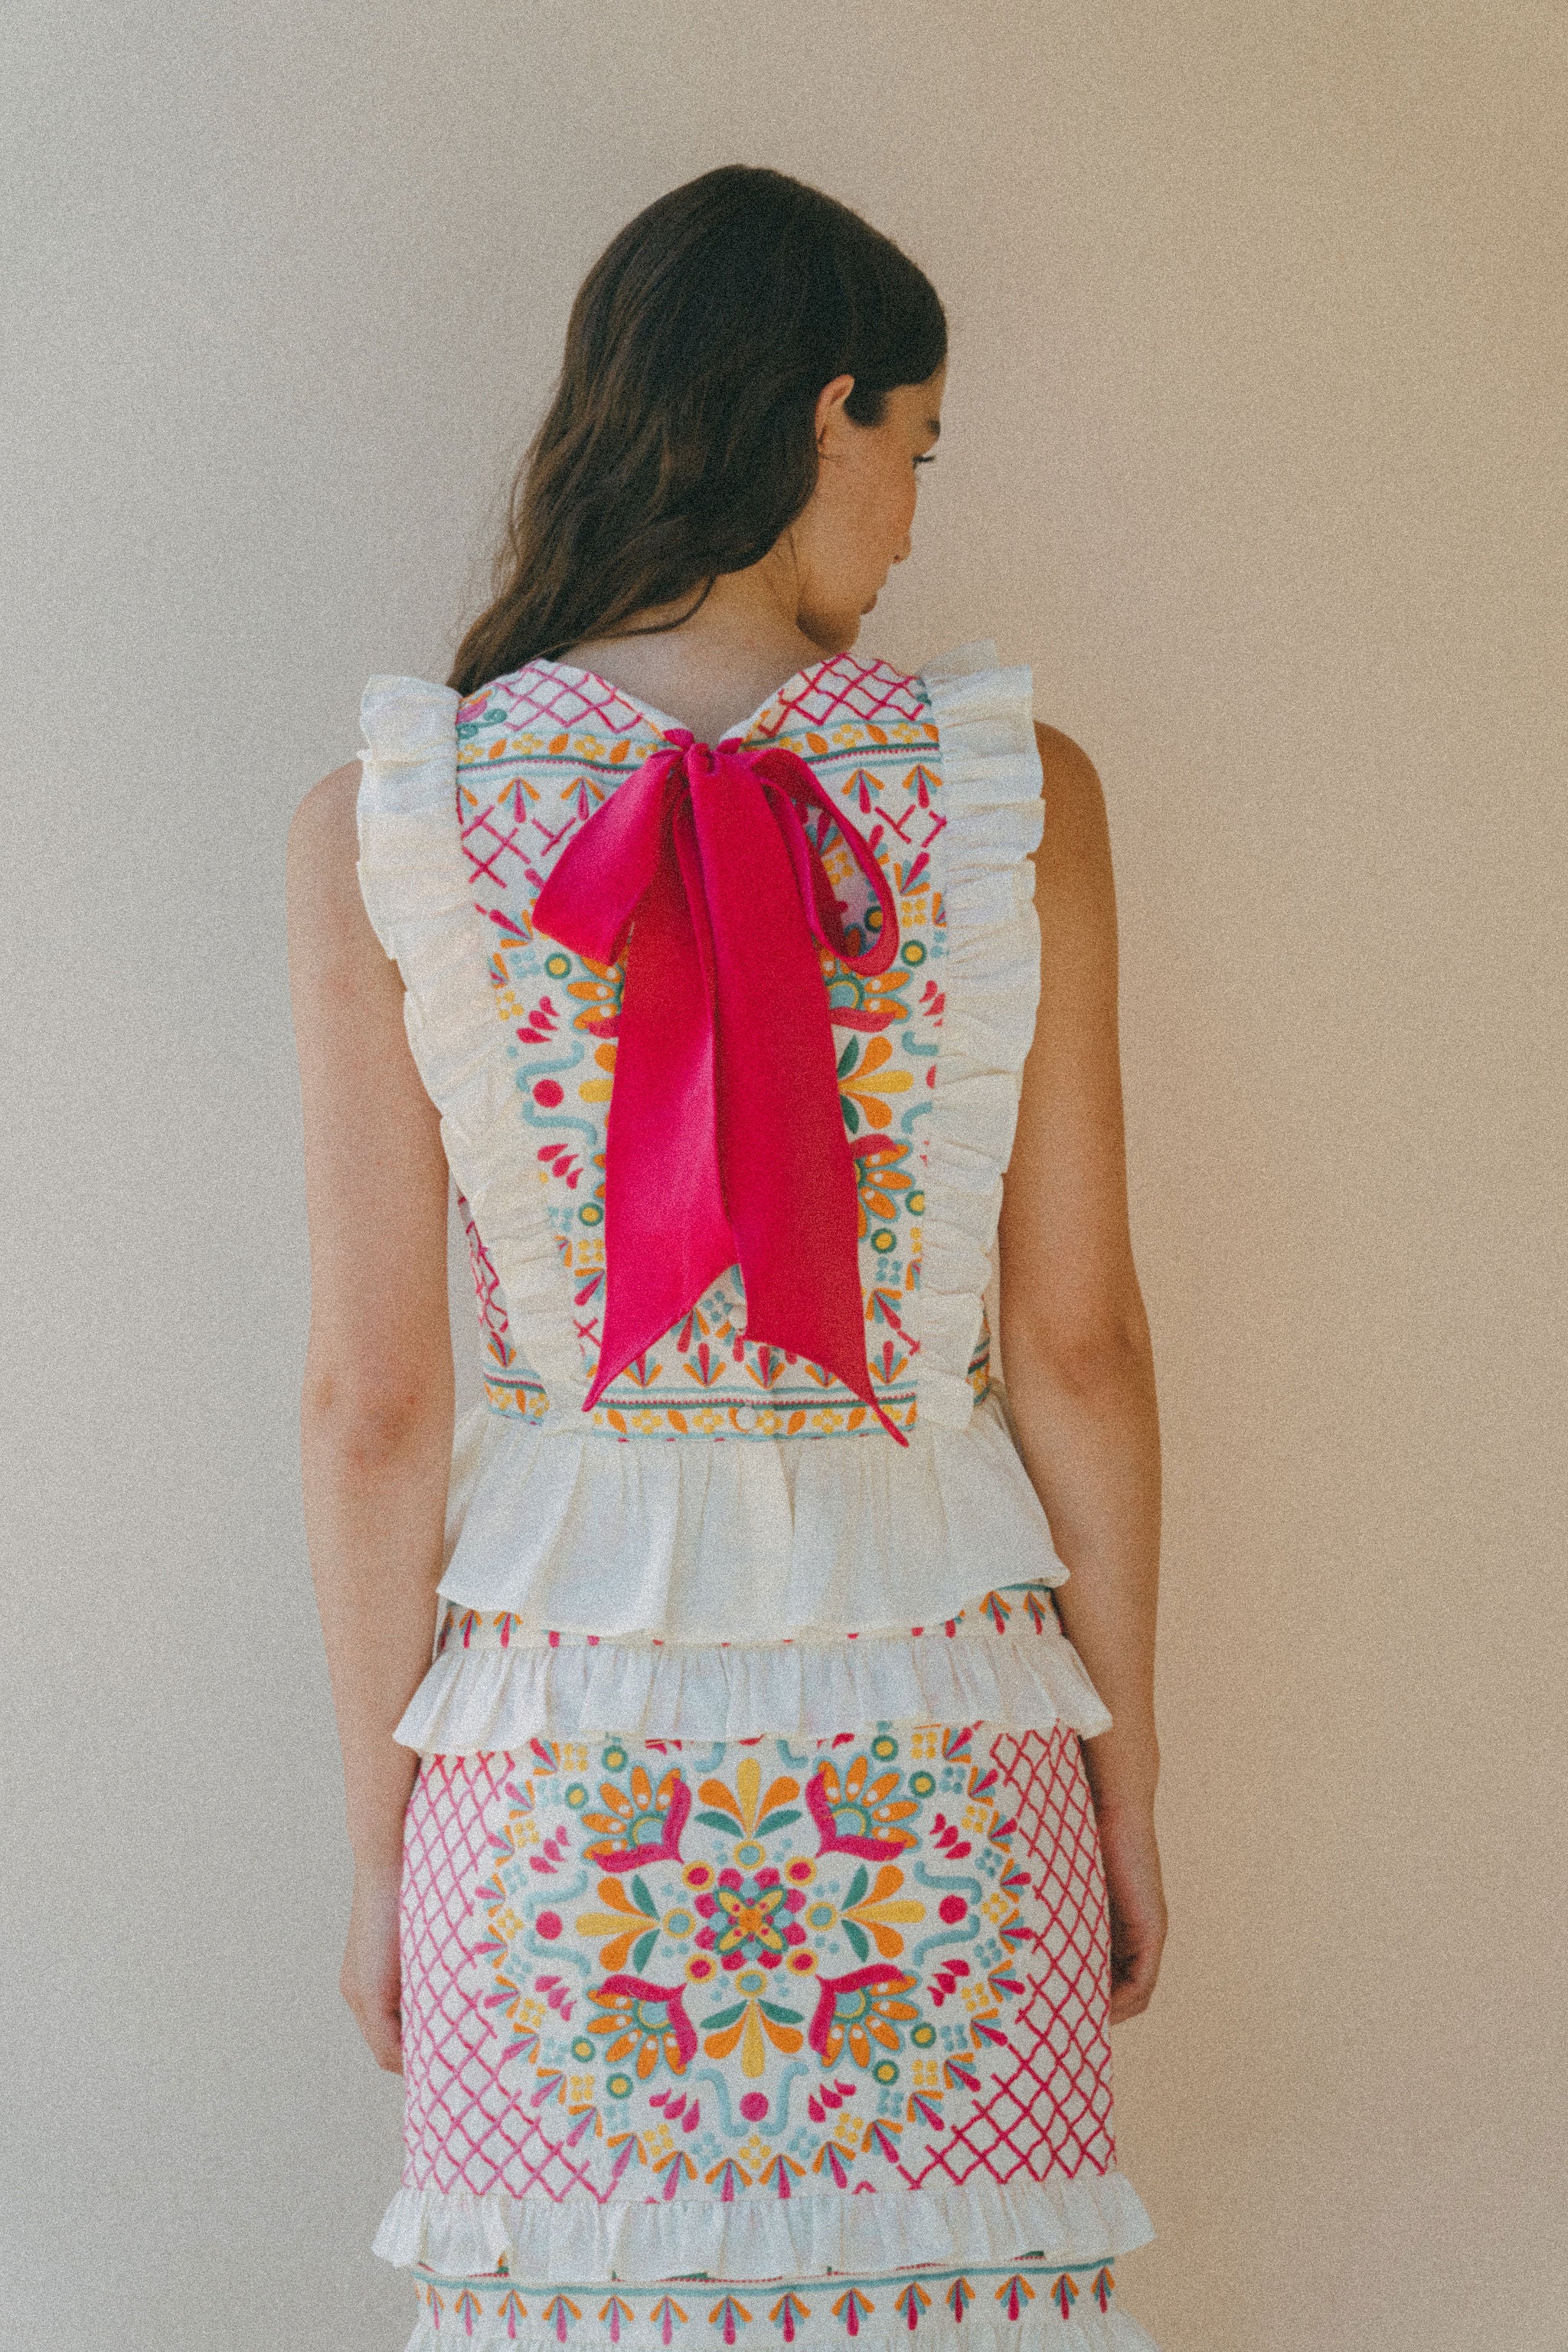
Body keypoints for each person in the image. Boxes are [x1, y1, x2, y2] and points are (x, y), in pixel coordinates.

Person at [287, 163, 1167, 2351]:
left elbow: (377, 1402)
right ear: (827, 409)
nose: (914, 514)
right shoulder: (1013, 794)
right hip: (951, 1731)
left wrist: (387, 1850)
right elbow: (1077, 1345)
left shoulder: (392, 816)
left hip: (547, 1760)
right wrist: (1125, 1779)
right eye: (919, 447)